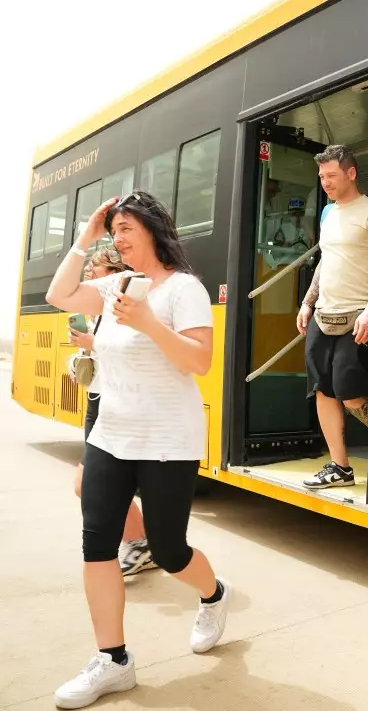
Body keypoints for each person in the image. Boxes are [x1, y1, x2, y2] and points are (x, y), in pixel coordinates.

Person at [47, 191, 230, 708]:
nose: (119, 239)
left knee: (170, 552)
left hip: (168, 439)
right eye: (114, 231)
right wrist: (86, 237)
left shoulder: (184, 289)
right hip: (111, 435)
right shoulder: (113, 286)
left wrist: (148, 321)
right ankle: (113, 660)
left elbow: (199, 362)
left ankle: (214, 594)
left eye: (126, 229)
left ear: (153, 229)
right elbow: (60, 294)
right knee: (97, 546)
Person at [68, 246, 157, 576]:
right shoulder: (97, 312)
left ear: (116, 274)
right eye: (88, 266)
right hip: (96, 402)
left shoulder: (125, 310)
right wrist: (79, 360)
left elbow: (131, 355)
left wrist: (92, 344)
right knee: (92, 485)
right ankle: (143, 543)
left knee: (88, 485)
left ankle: (141, 543)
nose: (89, 272)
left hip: (114, 404)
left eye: (96, 267)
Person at [296, 144, 368, 489]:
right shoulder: (328, 214)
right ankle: (340, 466)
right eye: (322, 177)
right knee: (323, 390)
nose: (325, 182)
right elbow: (325, 260)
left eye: (331, 175)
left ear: (351, 173)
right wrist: (307, 302)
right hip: (323, 314)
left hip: (357, 315)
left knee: (350, 392)